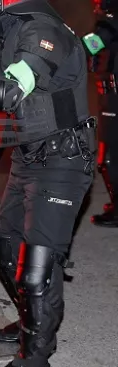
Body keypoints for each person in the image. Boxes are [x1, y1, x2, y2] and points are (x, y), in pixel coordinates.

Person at [0, 0, 95, 367]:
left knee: (37, 268)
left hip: (63, 161)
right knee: (5, 246)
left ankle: (35, 363)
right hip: (30, 155)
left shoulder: (43, 30)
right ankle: (31, 322)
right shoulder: (11, 27)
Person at [83, 0, 118, 226]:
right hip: (111, 94)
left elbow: (93, 44)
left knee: (110, 155)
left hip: (114, 97)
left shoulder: (111, 17)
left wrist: (66, 47)